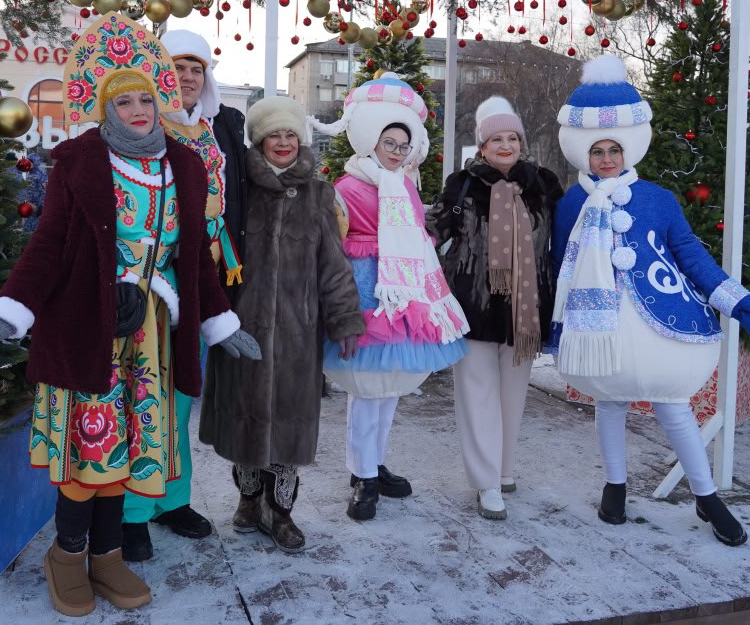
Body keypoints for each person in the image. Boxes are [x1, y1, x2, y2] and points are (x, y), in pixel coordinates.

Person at [0, 12, 261, 617]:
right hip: (87, 330)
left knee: (136, 445)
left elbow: (193, 258)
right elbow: (48, 248)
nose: (140, 110)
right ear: (105, 105)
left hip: (150, 337)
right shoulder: (81, 163)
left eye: (147, 97)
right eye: (126, 101)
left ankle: (107, 554)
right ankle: (67, 554)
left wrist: (223, 324)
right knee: (88, 448)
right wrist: (5, 316)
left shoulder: (185, 166)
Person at [550, 54, 750, 547]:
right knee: (607, 402)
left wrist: (736, 302)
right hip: (600, 323)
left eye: (614, 149)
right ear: (583, 153)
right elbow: (560, 265)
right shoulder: (571, 204)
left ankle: (706, 494)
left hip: (663, 321)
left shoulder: (658, 199)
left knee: (674, 405)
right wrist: (555, 329)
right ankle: (615, 486)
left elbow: (691, 256)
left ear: (629, 148)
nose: (606, 159)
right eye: (597, 151)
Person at [199, 96, 365, 552]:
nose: (284, 142)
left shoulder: (318, 194)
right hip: (242, 328)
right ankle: (249, 501)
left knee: (289, 426)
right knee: (245, 421)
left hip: (297, 334)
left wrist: (346, 318)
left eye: (291, 134)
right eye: (275, 134)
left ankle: (282, 511)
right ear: (260, 140)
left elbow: (334, 265)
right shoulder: (239, 191)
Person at [312, 73, 468, 522]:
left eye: (403, 144)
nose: (397, 151)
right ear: (370, 141)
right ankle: (360, 474)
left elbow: (418, 233)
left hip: (408, 292)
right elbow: (334, 239)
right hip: (367, 288)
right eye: (389, 142)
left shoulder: (405, 185)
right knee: (367, 387)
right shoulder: (347, 187)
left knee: (392, 385)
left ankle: (375, 464)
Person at [117, 30, 248, 560]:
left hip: (202, 281)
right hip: (150, 284)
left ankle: (173, 499)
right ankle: (131, 512)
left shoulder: (213, 133)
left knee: (181, 396)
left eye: (197, 68)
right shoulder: (142, 129)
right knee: (141, 396)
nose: (189, 77)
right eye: (178, 67)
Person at [427, 97, 563, 520]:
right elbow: (434, 229)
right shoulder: (462, 184)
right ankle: (486, 483)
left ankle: (504, 469)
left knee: (513, 395)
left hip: (526, 307)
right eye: (495, 139)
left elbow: (568, 235)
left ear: (521, 142)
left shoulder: (544, 183)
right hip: (472, 304)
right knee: (477, 395)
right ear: (482, 146)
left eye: (512, 137)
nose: (505, 145)